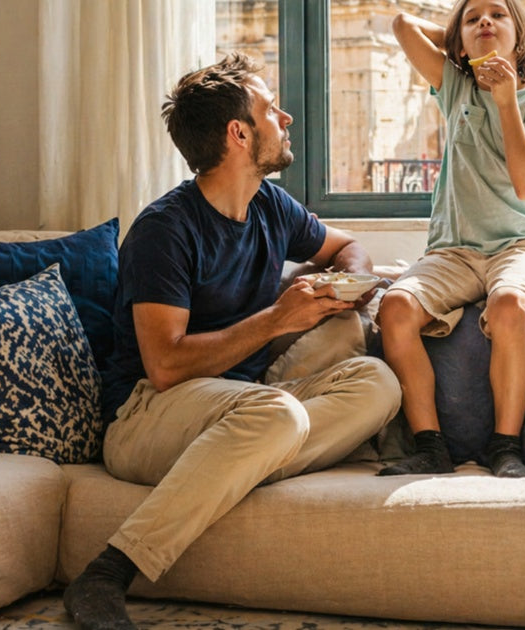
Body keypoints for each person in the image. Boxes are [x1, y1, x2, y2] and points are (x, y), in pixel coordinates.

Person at [63, 52, 403, 630]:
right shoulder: (165, 230)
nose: (286, 119)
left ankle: (235, 464)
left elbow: (348, 246)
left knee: (377, 383)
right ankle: (108, 572)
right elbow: (165, 366)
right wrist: (276, 319)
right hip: (148, 414)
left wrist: (346, 283)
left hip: (241, 405)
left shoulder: (270, 205)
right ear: (239, 134)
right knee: (276, 415)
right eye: (271, 109)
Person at [376, 0, 525, 478]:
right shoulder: (455, 86)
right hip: (453, 252)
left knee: (509, 305)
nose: (485, 20)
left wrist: (505, 100)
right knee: (394, 307)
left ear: (519, 36)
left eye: (498, 15)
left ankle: (506, 447)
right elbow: (402, 24)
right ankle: (431, 447)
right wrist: (462, 44)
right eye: (472, 16)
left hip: (521, 246)